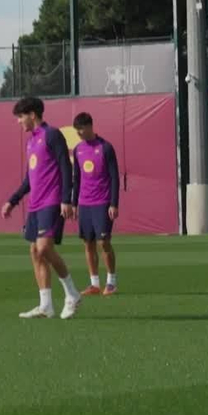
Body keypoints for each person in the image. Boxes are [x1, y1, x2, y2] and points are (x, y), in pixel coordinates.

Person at [0, 96, 82, 319]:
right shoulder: (31, 141)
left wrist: (67, 199)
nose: (18, 122)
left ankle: (72, 293)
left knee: (45, 247)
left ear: (32, 115)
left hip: (52, 201)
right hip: (35, 205)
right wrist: (13, 200)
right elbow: (29, 179)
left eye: (20, 117)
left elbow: (66, 167)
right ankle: (46, 305)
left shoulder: (52, 135)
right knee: (35, 251)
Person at [70, 112, 120, 296]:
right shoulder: (78, 150)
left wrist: (114, 203)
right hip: (84, 204)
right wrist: (74, 204)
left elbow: (114, 177)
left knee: (104, 242)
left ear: (90, 126)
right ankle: (94, 284)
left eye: (81, 129)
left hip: (102, 202)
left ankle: (112, 282)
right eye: (77, 130)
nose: (79, 133)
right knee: (88, 243)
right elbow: (76, 178)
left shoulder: (105, 147)